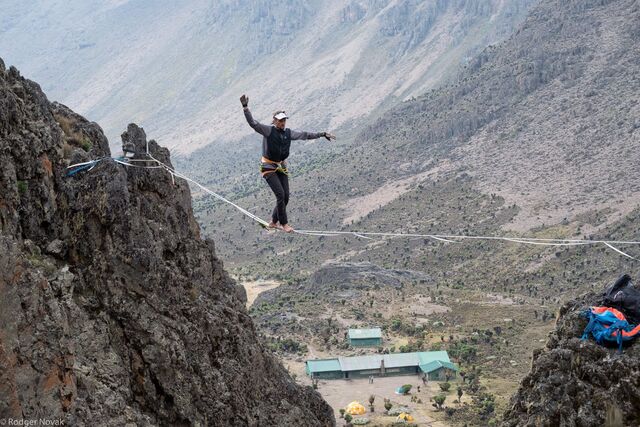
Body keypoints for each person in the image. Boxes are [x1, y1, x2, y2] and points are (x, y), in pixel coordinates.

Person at [240, 94, 335, 232]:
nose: (283, 122)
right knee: (280, 194)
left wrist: (322, 134)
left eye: (284, 119)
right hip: (268, 166)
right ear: (274, 121)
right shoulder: (268, 130)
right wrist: (245, 108)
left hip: (281, 166)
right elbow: (253, 124)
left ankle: (273, 221)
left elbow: (305, 135)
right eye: (280, 120)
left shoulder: (288, 133)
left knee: (286, 197)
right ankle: (284, 224)